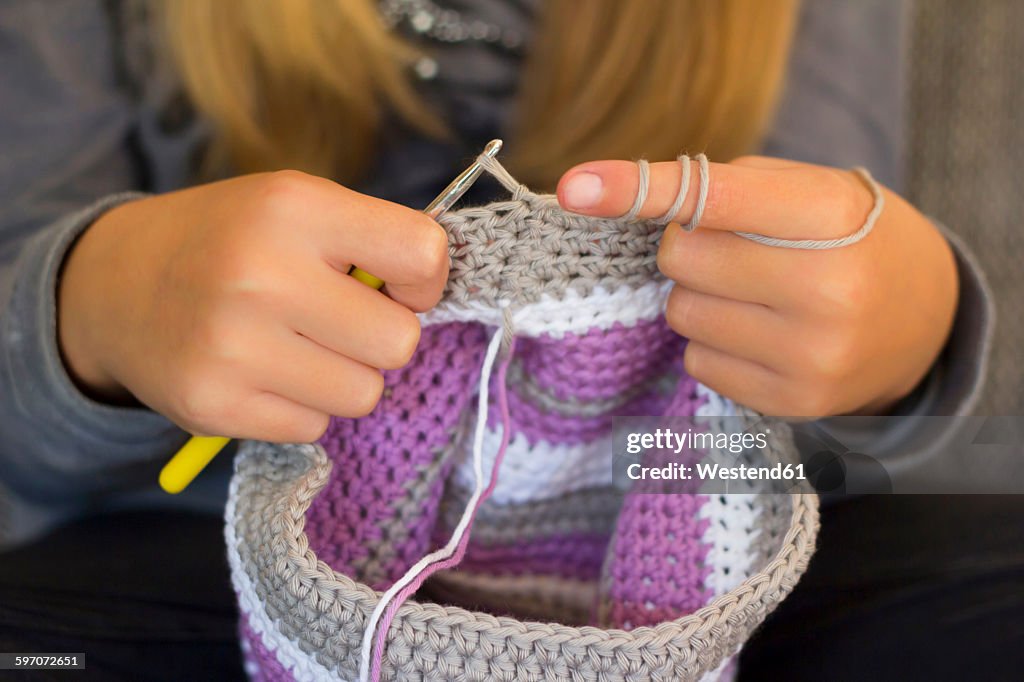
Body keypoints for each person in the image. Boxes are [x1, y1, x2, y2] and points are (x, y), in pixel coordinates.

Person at [0, 1, 1013, 680]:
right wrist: (95, 304)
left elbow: (777, 422)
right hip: (176, 545)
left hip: (683, 506)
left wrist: (911, 340)